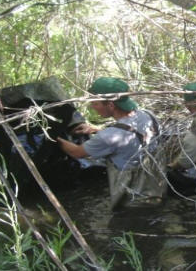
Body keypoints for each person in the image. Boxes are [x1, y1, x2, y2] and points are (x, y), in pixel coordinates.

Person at [57, 77, 167, 210]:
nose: (92, 107)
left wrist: (55, 137)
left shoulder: (109, 136)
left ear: (110, 105)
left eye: (95, 103)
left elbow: (77, 152)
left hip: (135, 203)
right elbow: (130, 134)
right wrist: (96, 129)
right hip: (158, 190)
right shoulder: (147, 115)